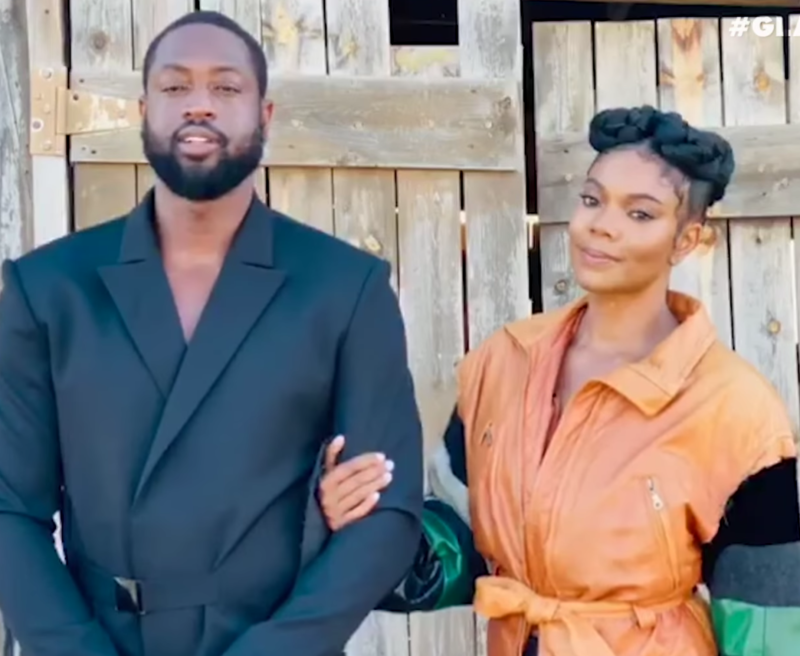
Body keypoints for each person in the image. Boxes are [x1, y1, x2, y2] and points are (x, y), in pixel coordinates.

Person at [0, 9, 423, 656]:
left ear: (265, 116)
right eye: (175, 86)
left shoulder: (345, 288)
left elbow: (387, 517)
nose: (199, 104)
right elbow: (10, 509)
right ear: (144, 111)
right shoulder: (49, 289)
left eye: (226, 87)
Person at [315, 105, 800, 656]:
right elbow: (459, 541)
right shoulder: (503, 363)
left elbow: (770, 626)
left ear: (686, 240)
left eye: (640, 214)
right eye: (592, 200)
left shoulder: (734, 408)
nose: (601, 225)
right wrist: (358, 524)